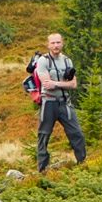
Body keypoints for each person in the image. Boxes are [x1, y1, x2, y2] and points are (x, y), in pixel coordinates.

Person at [34, 32, 86, 171]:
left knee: (77, 134)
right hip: (49, 103)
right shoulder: (43, 61)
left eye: (58, 42)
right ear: (48, 45)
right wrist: (63, 83)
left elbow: (74, 84)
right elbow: (46, 85)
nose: (56, 45)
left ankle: (83, 165)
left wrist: (56, 84)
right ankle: (42, 170)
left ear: (62, 43)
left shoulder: (67, 61)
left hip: (64, 103)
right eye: (53, 43)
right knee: (44, 136)